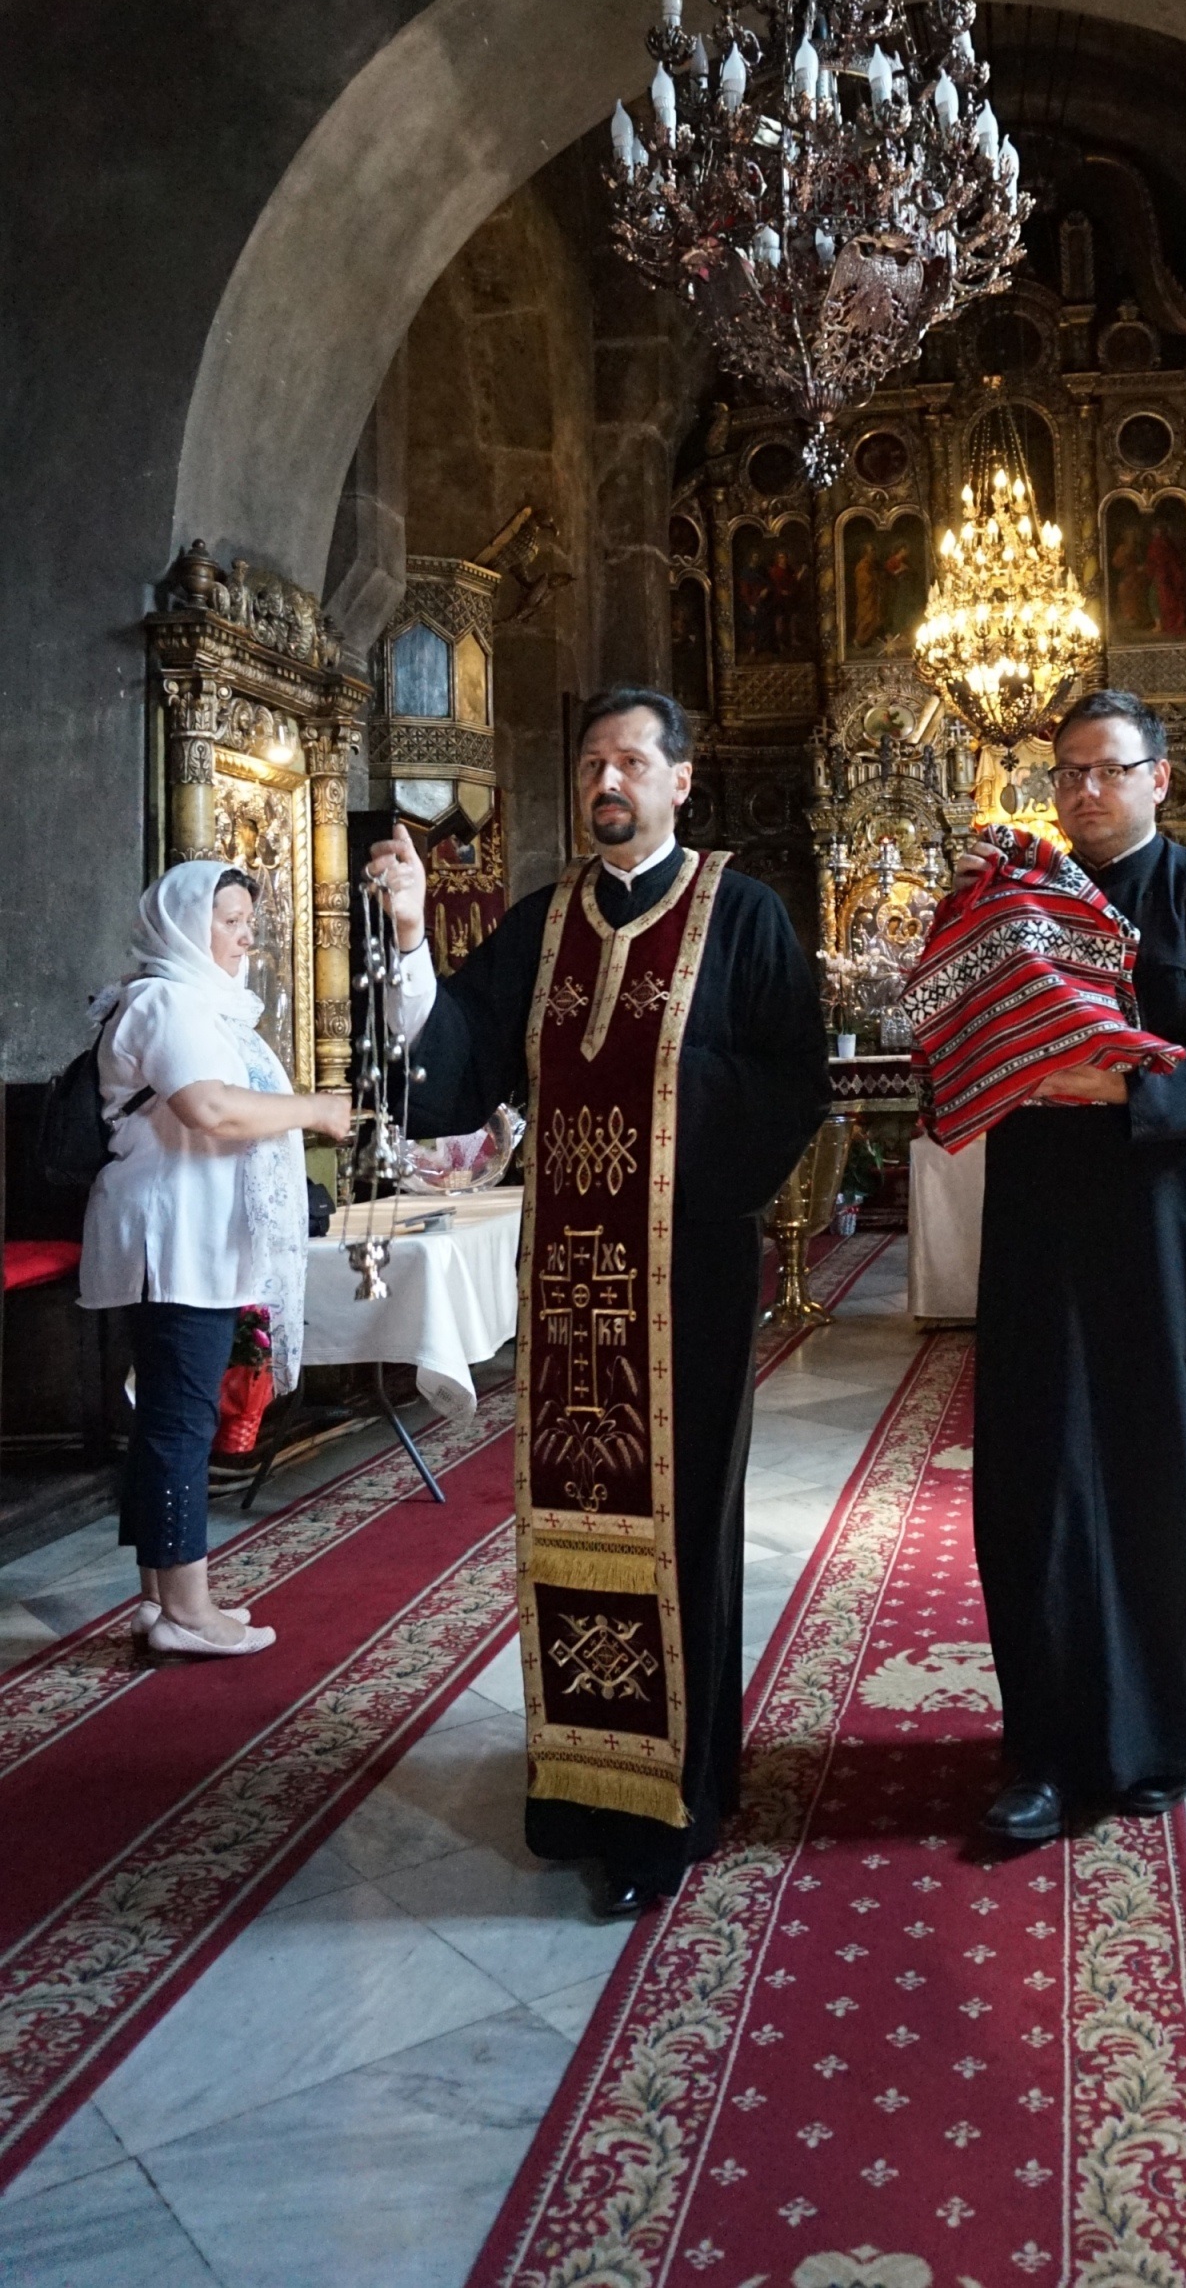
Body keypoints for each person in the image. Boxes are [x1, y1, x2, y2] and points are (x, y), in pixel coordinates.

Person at [367, 687, 829, 1915]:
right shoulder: (546, 920)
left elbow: (793, 1076)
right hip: (574, 1289)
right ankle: (582, 1784)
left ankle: (676, 1796)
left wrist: (678, 1129)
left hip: (689, 1279)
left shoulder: (744, 913)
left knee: (678, 1528)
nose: (606, 779)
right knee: (571, 1525)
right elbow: (458, 1049)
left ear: (683, 781)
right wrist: (412, 935)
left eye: (630, 759)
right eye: (589, 763)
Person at [968, 689, 1186, 1841]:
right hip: (1043, 1225)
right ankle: (1043, 1748)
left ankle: (1162, 1735)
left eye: (1107, 770)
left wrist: (1125, 1083)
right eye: (1067, 774)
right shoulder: (1021, 909)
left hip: (1166, 1228)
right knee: (1039, 1475)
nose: (1084, 792)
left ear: (1161, 778)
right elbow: (967, 1030)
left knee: (1164, 1474)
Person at [79, 863, 350, 1658]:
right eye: (229, 919)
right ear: (184, 924)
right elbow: (212, 1108)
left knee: (171, 1414)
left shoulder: (201, 1006)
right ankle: (189, 1612)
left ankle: (164, 1601)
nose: (244, 935)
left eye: (246, 919)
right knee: (180, 1420)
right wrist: (316, 1110)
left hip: (191, 1236)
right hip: (173, 1239)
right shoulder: (167, 1001)